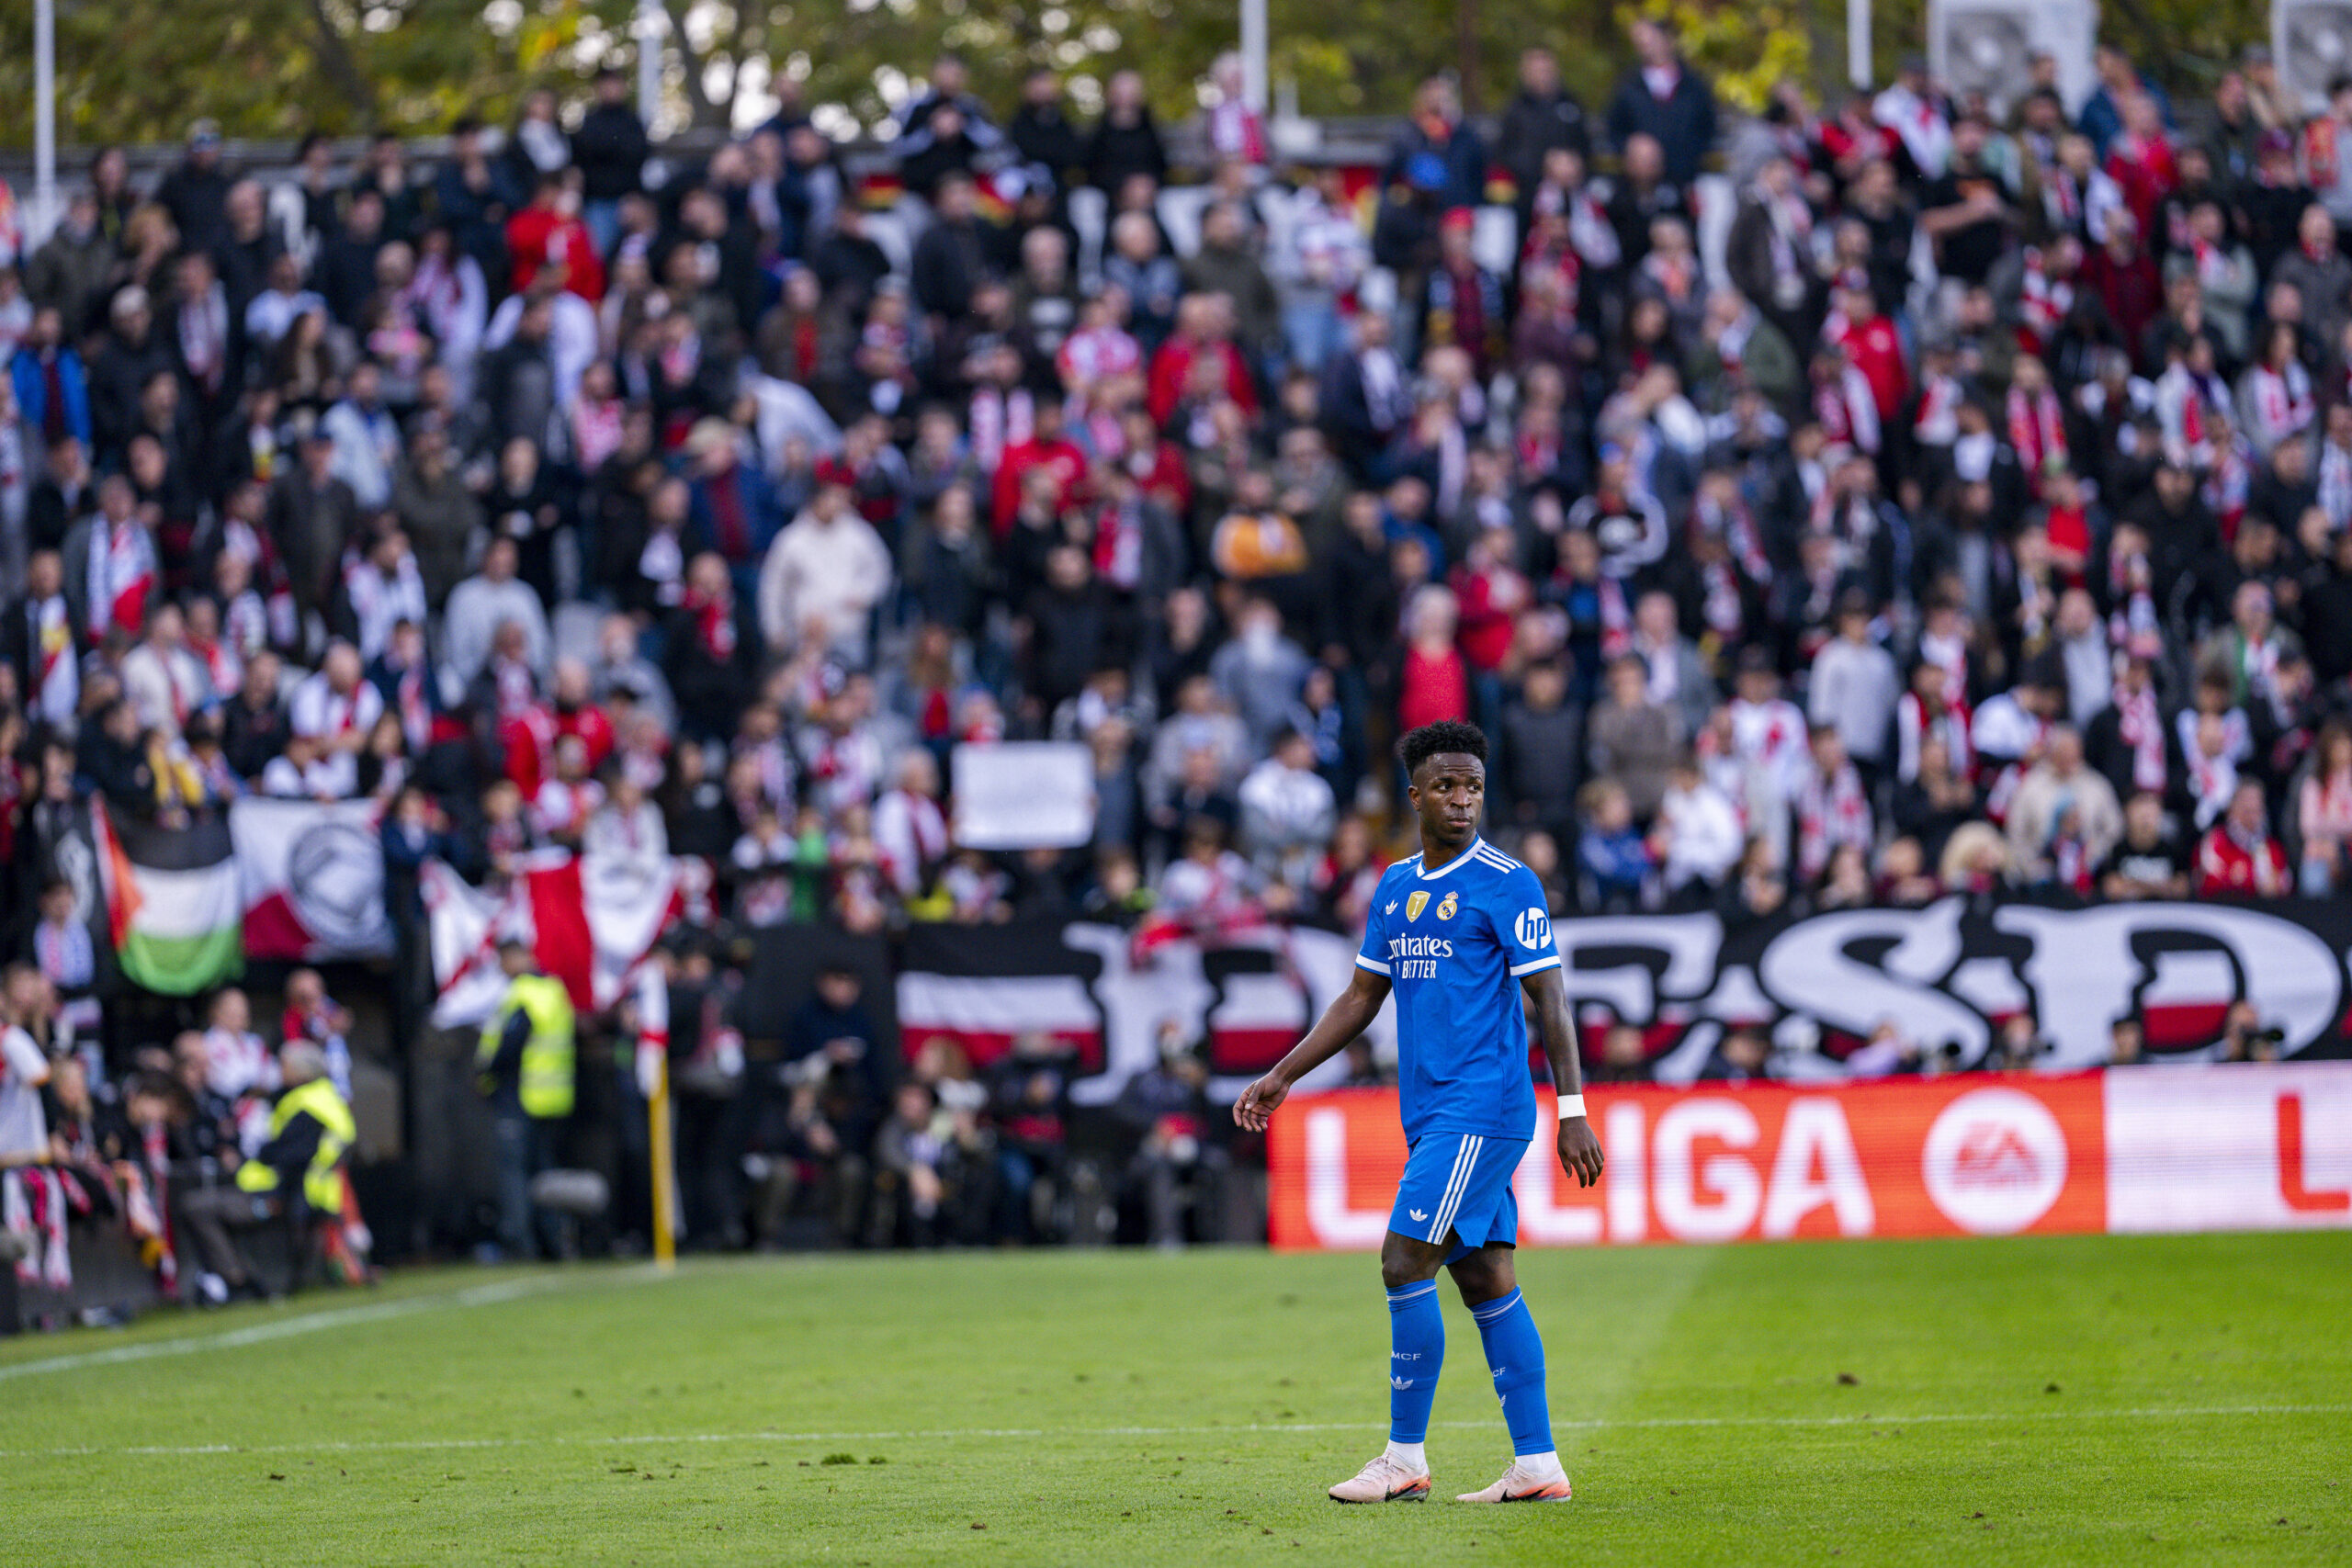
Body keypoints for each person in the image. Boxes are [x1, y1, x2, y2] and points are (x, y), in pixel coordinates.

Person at [1234, 720, 1602, 1506]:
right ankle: (1537, 1465)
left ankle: (1404, 1456)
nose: (1462, 799)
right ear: (1415, 795)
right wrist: (1282, 1074)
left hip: (1484, 1107)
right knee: (1485, 1275)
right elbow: (1362, 997)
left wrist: (1574, 1107)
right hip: (1432, 1111)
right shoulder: (1397, 885)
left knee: (1404, 1261)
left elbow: (1551, 998)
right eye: (1446, 785)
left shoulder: (1508, 881)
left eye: (1472, 785)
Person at [175, 1041, 354, 1303]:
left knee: (196, 1206)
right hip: (300, 1196)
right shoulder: (324, 1098)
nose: (278, 1071)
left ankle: (237, 1280)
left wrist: (254, 1154)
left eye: (283, 1065)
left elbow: (289, 1156)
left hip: (279, 1195)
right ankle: (237, 1278)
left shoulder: (306, 1105)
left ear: (300, 1071)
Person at [475, 940, 577, 1259]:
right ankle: (555, 1240)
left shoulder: (525, 995)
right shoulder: (554, 991)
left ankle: (520, 1244)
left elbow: (509, 1046)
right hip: (554, 1097)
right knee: (544, 1171)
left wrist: (486, 1075)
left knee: (514, 1174)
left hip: (521, 1095)